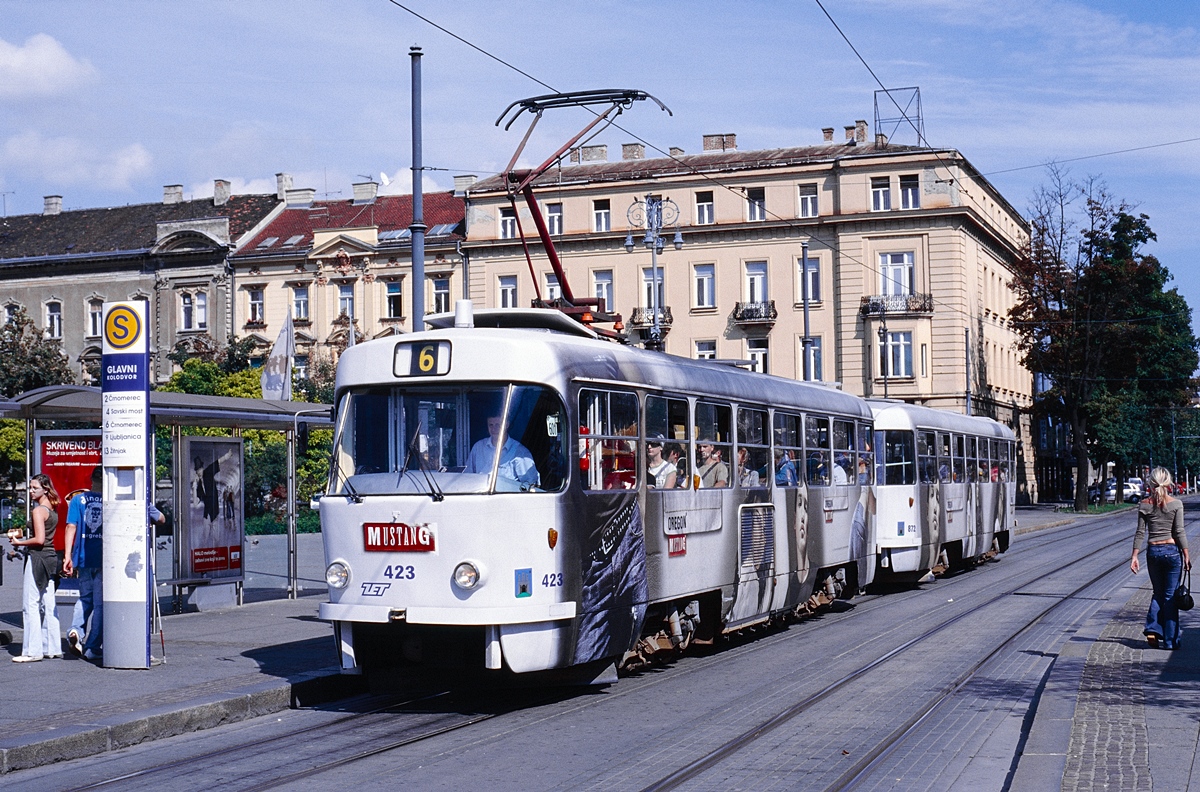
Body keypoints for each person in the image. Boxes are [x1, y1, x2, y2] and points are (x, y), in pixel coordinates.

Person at [1130, 466, 1190, 650]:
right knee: (1170, 595)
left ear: (1151, 482)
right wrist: (1186, 554)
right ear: (1169, 482)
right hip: (1172, 551)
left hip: (1153, 552)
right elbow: (1179, 531)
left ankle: (1153, 629)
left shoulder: (1144, 504)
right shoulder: (1176, 504)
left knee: (1157, 592)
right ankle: (1171, 641)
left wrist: (1134, 556)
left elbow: (1140, 532)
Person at [8, 473, 61, 662]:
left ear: (45, 489)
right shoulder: (51, 509)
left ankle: (32, 650)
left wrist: (19, 542)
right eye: (30, 488)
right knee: (48, 602)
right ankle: (52, 647)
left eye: (34, 488)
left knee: (30, 604)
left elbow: (38, 539)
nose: (30, 491)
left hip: (38, 557)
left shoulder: (38, 511)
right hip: (50, 556)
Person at [465, 410, 539, 488]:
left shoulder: (520, 452)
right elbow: (467, 476)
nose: (494, 429)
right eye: (491, 425)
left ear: (507, 425)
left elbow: (531, 485)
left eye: (498, 425)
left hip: (507, 498)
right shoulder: (478, 447)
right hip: (480, 496)